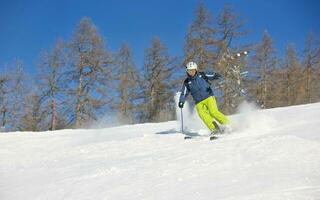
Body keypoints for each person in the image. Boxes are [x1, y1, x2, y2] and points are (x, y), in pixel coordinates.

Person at [178, 61, 230, 134]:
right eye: (189, 71)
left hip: (208, 96)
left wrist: (215, 75)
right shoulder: (187, 82)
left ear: (196, 70)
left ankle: (227, 124)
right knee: (202, 115)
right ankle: (214, 129)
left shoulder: (202, 75)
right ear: (187, 71)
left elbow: (211, 75)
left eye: (192, 70)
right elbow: (184, 93)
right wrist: (181, 101)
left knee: (213, 112)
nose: (191, 72)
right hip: (198, 102)